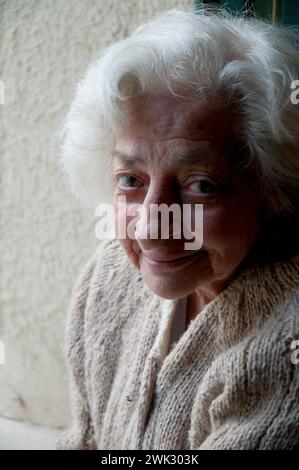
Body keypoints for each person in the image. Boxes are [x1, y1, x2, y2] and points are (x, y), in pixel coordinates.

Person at [56, 7, 299, 450]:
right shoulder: (108, 275)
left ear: (269, 188)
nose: (152, 227)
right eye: (131, 180)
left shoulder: (286, 345)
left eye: (200, 185)